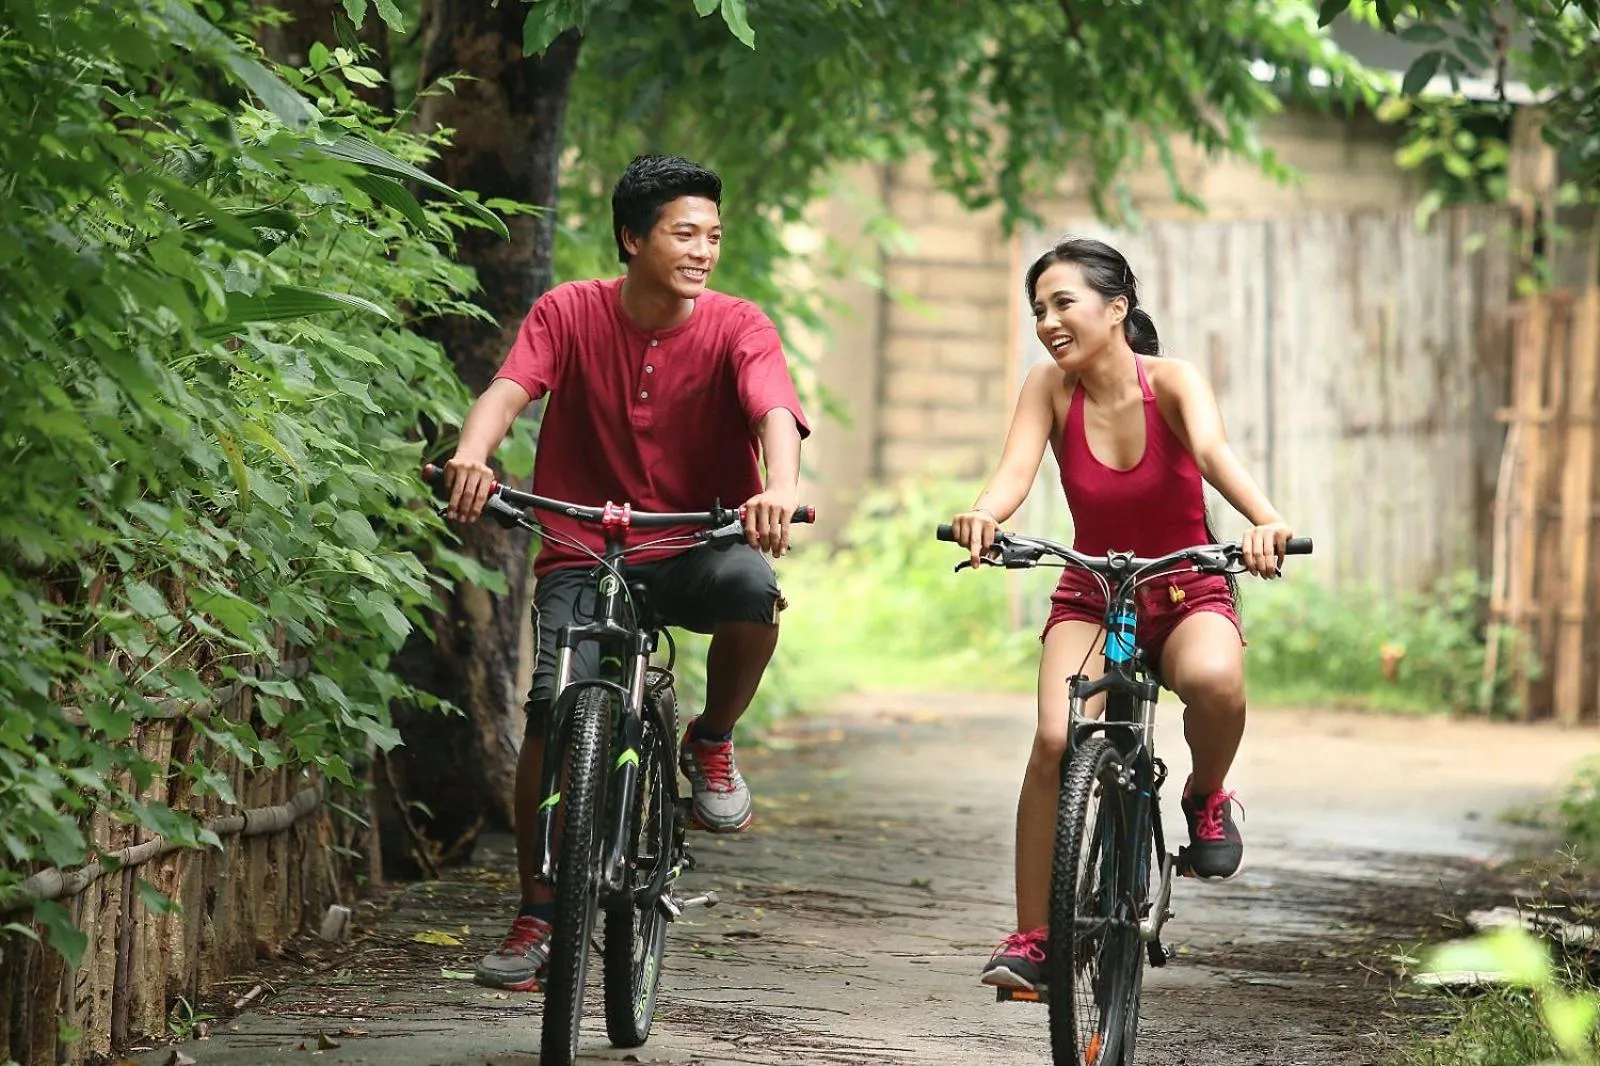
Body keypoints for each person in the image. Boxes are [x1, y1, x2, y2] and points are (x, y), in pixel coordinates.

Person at [440, 154, 810, 992]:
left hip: (695, 543)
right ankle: (538, 905)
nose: (703, 250)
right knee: (548, 709)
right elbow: (508, 390)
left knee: (755, 591)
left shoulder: (737, 324)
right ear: (631, 237)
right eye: (685, 233)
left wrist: (781, 489)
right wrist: (472, 457)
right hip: (582, 546)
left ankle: (710, 739)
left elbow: (773, 408)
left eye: (714, 235)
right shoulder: (568, 311)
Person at [947, 237, 1294, 992]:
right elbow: (1012, 473)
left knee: (1213, 681)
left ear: (1116, 308)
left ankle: (1206, 795)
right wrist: (981, 516)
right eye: (1038, 309)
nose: (1047, 322)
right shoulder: (1048, 387)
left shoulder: (1171, 381)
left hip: (1184, 584)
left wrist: (1266, 521)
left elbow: (1212, 450)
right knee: (1053, 737)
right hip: (1093, 591)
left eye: (1062, 303)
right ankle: (1035, 939)